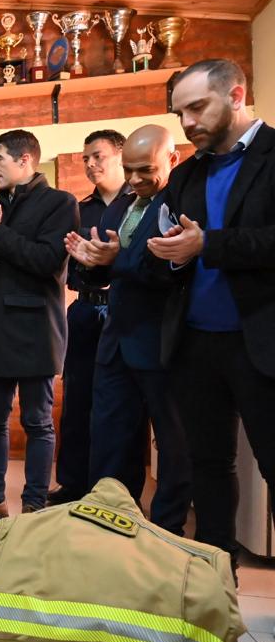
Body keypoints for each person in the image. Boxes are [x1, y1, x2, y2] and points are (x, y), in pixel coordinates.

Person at [145, 58, 275, 563]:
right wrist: (168, 255)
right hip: (196, 344)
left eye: (197, 107)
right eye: (181, 113)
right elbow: (171, 249)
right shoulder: (187, 174)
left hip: (260, 341)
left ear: (237, 95)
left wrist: (208, 245)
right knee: (209, 465)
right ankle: (219, 580)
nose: (188, 122)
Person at [65, 124, 191, 535]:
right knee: (109, 436)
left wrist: (112, 262)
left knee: (172, 446)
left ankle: (167, 531)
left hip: (161, 343)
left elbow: (163, 269)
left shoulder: (182, 203)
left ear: (171, 159)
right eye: (131, 170)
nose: (136, 180)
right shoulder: (121, 207)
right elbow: (108, 274)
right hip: (115, 340)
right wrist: (91, 264)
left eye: (146, 170)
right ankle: (112, 521)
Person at [0, 130, 79, 529]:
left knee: (38, 422)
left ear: (25, 161)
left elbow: (45, 261)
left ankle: (35, 507)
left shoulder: (60, 203)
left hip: (35, 331)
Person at [49, 129, 131, 506]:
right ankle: (73, 484)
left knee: (120, 405)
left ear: (120, 154)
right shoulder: (82, 208)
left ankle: (115, 492)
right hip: (84, 308)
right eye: (85, 158)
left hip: (124, 309)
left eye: (97, 156)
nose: (90, 164)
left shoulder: (140, 203)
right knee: (77, 401)